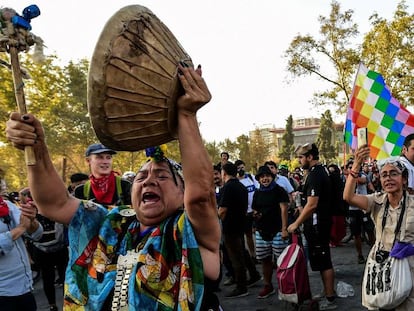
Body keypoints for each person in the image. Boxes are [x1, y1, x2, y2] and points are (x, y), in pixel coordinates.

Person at [6, 63, 221, 310]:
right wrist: (36, 146)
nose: (148, 180)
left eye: (162, 176)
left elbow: (201, 198)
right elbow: (54, 203)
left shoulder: (190, 232)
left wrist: (186, 115)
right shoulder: (109, 222)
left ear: (183, 192)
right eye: (140, 177)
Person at [344, 145, 414, 310]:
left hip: (409, 268)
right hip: (381, 267)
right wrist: (356, 165)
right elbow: (348, 196)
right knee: (380, 304)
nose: (388, 178)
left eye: (393, 174)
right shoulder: (376, 201)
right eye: (384, 175)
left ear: (404, 179)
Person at [287, 143, 337, 310]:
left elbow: (312, 205)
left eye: (301, 157)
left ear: (310, 157)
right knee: (321, 260)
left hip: (318, 224)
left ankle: (330, 299)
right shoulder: (313, 173)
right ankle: (327, 291)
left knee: (324, 261)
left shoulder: (316, 174)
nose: (299, 160)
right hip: (315, 223)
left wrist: (296, 223)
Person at [20, 188, 68, 311]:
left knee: (64, 277)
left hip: (59, 248)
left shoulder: (53, 205)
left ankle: (65, 302)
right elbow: (26, 232)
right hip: (42, 249)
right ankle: (53, 305)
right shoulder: (29, 209)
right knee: (48, 278)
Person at [218, 162, 261, 299]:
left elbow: (223, 210)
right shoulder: (241, 186)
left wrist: (215, 219)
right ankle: (254, 274)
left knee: (235, 256)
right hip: (240, 223)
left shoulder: (228, 187)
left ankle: (241, 286)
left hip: (230, 226)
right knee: (242, 251)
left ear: (224, 173)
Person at [0, 187, 43, 311]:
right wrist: (20, 228)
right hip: (3, 292)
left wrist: (31, 220)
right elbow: (22, 228)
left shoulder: (7, 205)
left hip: (24, 286)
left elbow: (36, 234)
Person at [252, 165, 289, 299]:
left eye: (267, 176)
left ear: (272, 177)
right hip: (262, 231)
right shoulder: (258, 192)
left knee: (282, 261)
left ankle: (285, 286)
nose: (265, 179)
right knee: (265, 260)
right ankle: (268, 285)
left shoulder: (279, 191)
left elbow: (284, 209)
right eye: (262, 177)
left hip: (278, 230)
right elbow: (255, 209)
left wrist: (285, 229)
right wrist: (256, 218)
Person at [73, 143, 132, 207]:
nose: (105, 162)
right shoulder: (81, 191)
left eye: (108, 157)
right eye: (100, 157)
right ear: (88, 161)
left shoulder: (125, 186)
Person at [234, 159, 259, 261]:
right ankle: (253, 255)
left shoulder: (251, 178)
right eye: (238, 168)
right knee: (248, 235)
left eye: (242, 167)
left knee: (259, 232)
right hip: (245, 212)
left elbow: (258, 190)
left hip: (255, 210)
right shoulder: (236, 181)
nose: (240, 169)